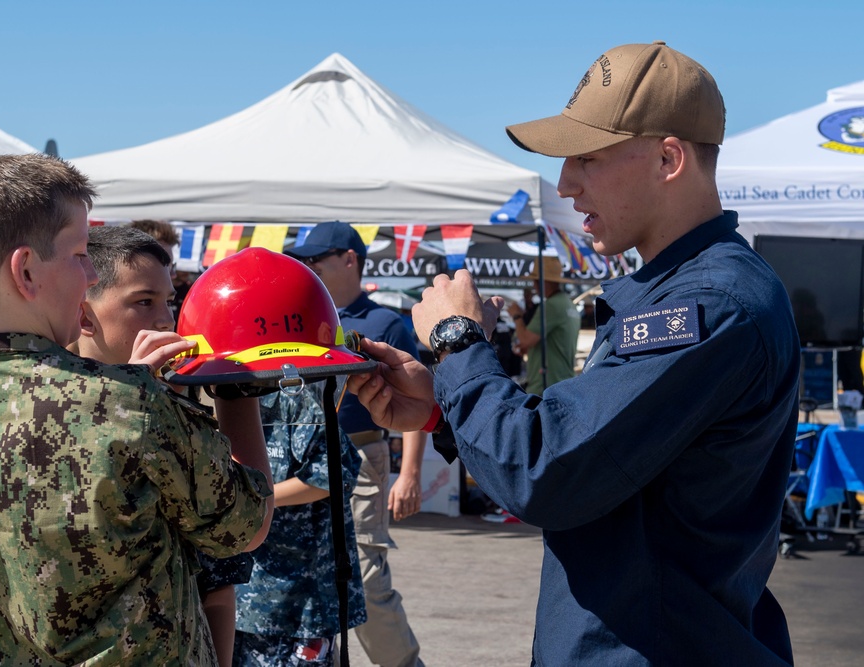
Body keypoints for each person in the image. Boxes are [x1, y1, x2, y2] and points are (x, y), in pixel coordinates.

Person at [348, 42, 800, 665]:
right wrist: (441, 409)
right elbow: (601, 456)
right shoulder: (687, 290)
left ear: (669, 158)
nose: (567, 183)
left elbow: (547, 471)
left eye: (587, 157)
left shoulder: (709, 304)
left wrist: (457, 342)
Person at [0, 153, 274, 666]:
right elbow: (247, 522)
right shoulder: (127, 404)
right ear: (25, 271)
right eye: (79, 253)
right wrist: (235, 393)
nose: (91, 272)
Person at [73, 223, 254, 667]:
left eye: (168, 301)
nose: (165, 320)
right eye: (143, 302)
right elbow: (248, 524)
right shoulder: (58, 407)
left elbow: (219, 578)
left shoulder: (168, 402)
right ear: (83, 314)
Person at [286, 221, 425, 667]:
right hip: (302, 456)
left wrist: (410, 475)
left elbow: (417, 404)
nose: (308, 268)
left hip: (363, 453)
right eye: (303, 261)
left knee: (365, 577)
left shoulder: (385, 322)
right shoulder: (301, 319)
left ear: (350, 259)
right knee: (302, 571)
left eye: (316, 260)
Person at [233, 384, 367, 666]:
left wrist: (255, 500)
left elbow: (334, 473)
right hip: (242, 596)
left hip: (298, 600)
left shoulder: (292, 398)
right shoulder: (210, 393)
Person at [506, 256, 582, 394]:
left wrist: (517, 316)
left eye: (535, 280)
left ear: (543, 281)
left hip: (545, 387)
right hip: (562, 382)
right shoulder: (568, 304)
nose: (534, 285)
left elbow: (525, 340)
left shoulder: (551, 306)